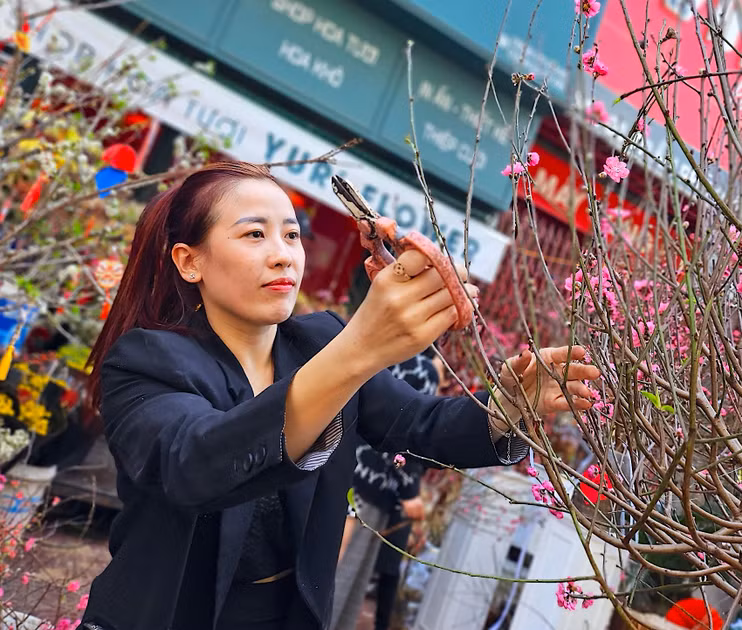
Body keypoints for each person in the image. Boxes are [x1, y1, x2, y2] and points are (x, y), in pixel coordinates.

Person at [76, 162, 599, 630]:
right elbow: (194, 463)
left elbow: (422, 425)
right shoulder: (146, 361)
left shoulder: (319, 342)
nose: (283, 255)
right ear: (190, 262)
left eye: (291, 235)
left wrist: (509, 406)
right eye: (254, 234)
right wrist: (359, 349)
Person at [331, 265, 436, 630]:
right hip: (372, 482)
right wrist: (410, 492)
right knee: (343, 580)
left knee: (327, 571)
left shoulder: (372, 338)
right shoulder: (421, 366)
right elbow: (405, 435)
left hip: (339, 465)